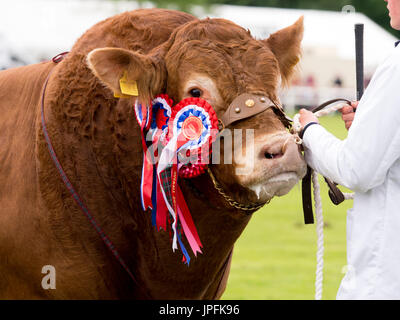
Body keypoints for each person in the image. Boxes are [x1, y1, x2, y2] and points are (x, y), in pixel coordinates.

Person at [299, 0, 400, 299]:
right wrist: (367, 129)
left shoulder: (397, 68)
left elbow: (356, 170)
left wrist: (309, 132)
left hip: (385, 277)